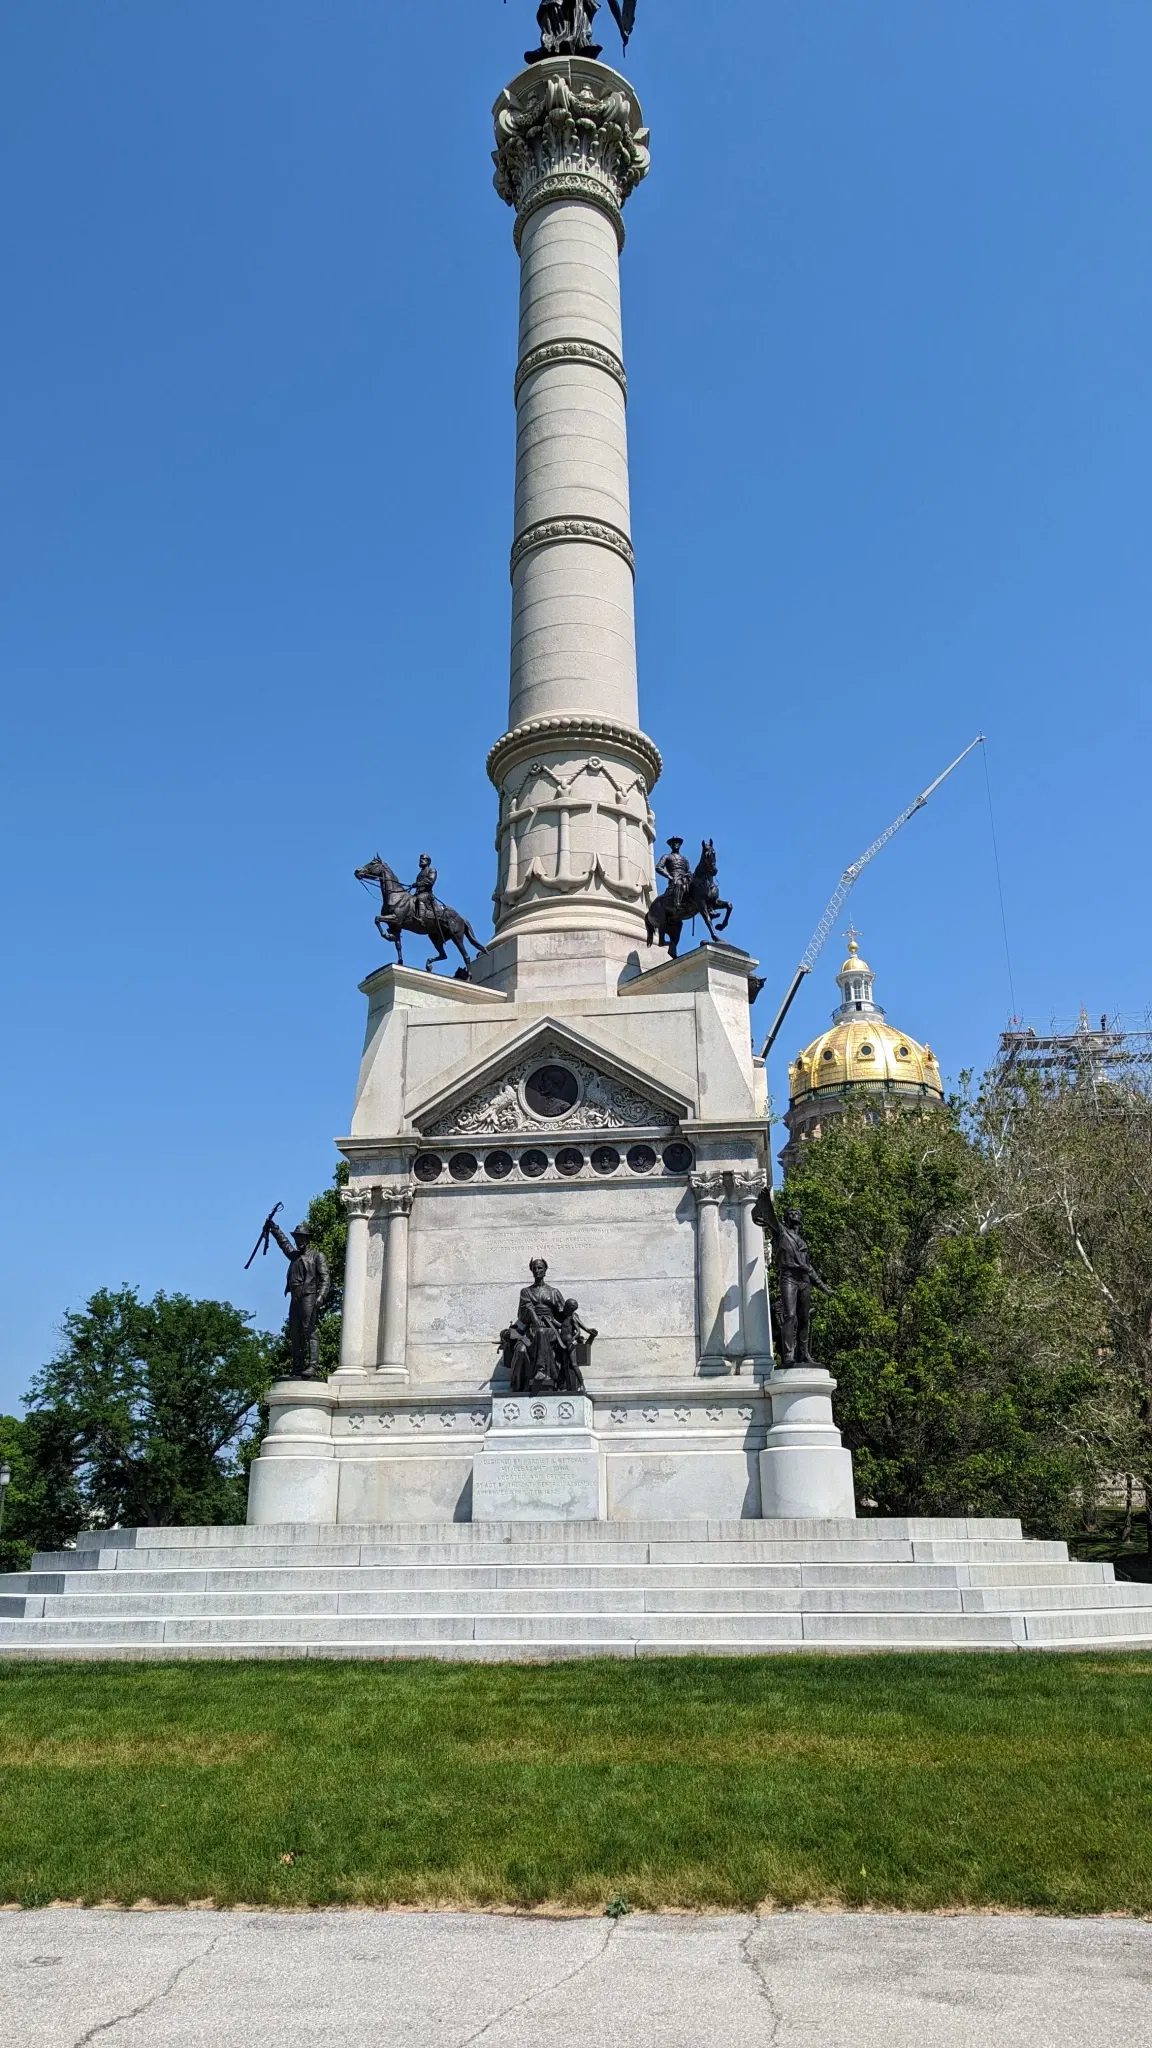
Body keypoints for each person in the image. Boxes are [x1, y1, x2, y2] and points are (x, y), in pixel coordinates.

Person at [750, 1188, 835, 1367]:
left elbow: (809, 1268)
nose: (795, 1214)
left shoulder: (802, 1242)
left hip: (803, 1279)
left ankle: (804, 1355)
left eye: (798, 1213)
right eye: (792, 1212)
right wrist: (765, 1200)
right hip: (788, 1277)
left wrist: (825, 1288)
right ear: (787, 1217)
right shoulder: (781, 1232)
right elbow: (770, 1216)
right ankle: (788, 1355)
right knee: (790, 1315)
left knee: (804, 1317)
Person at [268, 1219, 332, 1380]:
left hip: (309, 1296)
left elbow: (325, 1278)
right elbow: (284, 1243)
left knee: (308, 1330)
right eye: (297, 1238)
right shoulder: (294, 1256)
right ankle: (297, 1366)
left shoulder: (317, 1256)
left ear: (307, 1239)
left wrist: (320, 1296)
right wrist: (274, 1228)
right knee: (295, 1332)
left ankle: (313, 1365)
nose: (299, 1241)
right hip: (295, 1297)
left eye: (302, 1238)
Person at [655, 836, 691, 915]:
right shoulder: (666, 856)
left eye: (677, 842)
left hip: (685, 878)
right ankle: (677, 904)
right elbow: (658, 867)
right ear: (670, 845)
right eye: (673, 843)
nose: (675, 844)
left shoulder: (684, 859)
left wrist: (689, 875)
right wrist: (669, 876)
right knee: (679, 883)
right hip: (675, 878)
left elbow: (688, 871)